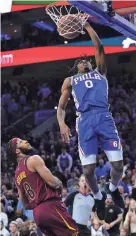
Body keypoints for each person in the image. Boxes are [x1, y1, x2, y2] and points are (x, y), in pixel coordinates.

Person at [57, 21, 124, 220]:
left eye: (87, 60)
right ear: (76, 67)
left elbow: (99, 47)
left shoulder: (100, 72)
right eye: (80, 60)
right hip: (85, 121)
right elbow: (60, 108)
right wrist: (61, 123)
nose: (84, 61)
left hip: (104, 117)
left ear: (92, 64)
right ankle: (98, 196)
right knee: (88, 170)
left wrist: (86, 26)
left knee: (118, 166)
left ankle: (112, 189)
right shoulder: (70, 81)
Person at [7, 138, 79, 236]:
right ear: (17, 150)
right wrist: (60, 184)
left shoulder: (16, 175)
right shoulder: (33, 159)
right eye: (20, 142)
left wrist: (37, 205)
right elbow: (52, 182)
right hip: (51, 206)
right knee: (73, 233)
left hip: (38, 215)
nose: (25, 141)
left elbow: (25, 203)